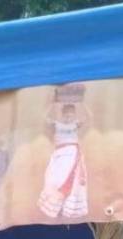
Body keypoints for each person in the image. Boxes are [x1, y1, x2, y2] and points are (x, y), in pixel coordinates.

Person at [38, 90, 90, 220]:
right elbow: (44, 118)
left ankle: (67, 209)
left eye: (71, 115)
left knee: (70, 182)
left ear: (74, 115)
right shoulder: (57, 124)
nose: (69, 117)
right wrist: (52, 104)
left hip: (72, 155)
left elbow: (89, 117)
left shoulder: (75, 124)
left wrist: (82, 103)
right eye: (66, 115)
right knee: (54, 181)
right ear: (63, 114)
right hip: (59, 156)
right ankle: (55, 208)